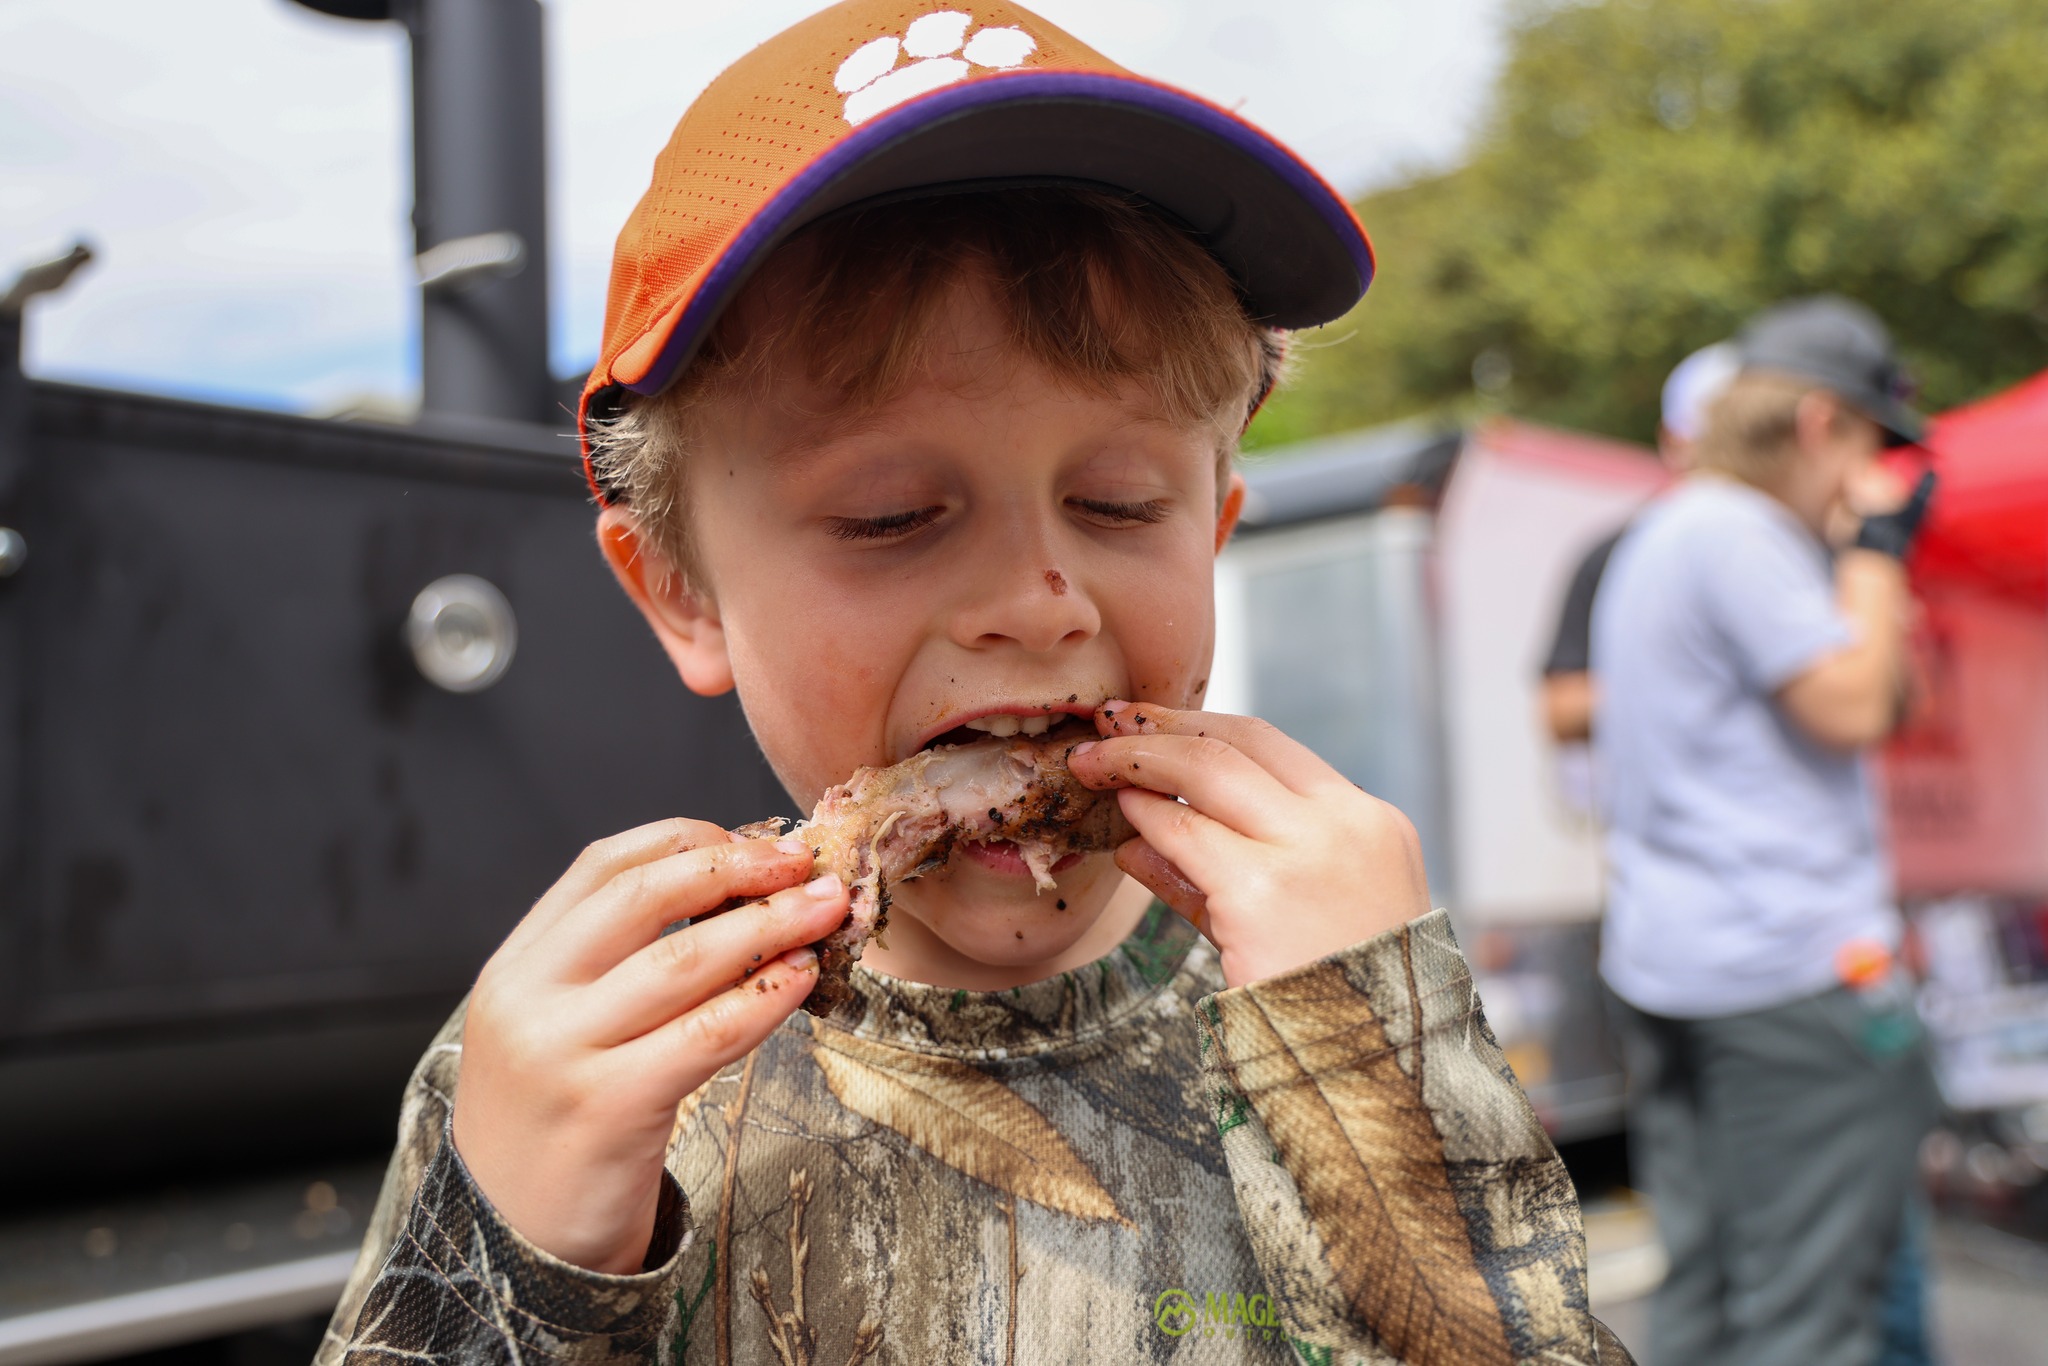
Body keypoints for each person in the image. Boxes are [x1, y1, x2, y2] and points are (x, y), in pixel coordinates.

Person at [315, 3, 1632, 1362]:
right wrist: (517, 1267)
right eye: (889, 514)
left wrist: (1395, 1086)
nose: (1033, 600)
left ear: (1215, 531)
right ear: (683, 592)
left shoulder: (1339, 997)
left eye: (1120, 502)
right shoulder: (569, 1070)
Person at [1591, 295, 1942, 1366]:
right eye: (1872, 447)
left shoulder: (1663, 529)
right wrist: (1876, 548)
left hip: (1674, 964)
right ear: (1814, 425)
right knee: (1809, 1313)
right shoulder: (1736, 533)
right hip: (1786, 972)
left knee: (1703, 1281)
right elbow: (1850, 708)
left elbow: (1897, 694)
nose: (1874, 479)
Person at [1540, 341, 1738, 747]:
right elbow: (1562, 709)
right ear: (1672, 442)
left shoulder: (1796, 546)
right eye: (1715, 444)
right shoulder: (1616, 553)